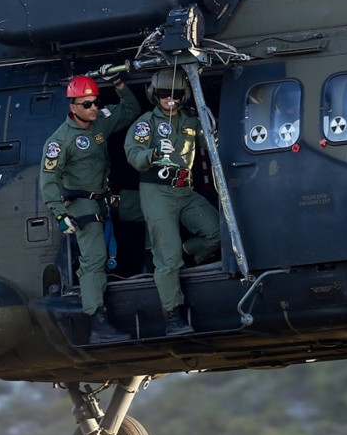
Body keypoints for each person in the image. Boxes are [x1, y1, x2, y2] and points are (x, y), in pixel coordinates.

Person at [40, 70, 140, 343]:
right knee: (93, 260)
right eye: (87, 104)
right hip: (82, 206)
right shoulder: (59, 142)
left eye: (96, 101)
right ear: (73, 108)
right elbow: (48, 181)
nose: (94, 107)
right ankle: (97, 321)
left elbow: (131, 109)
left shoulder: (99, 124)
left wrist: (118, 84)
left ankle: (153, 263)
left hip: (107, 198)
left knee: (152, 208)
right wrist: (61, 215)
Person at [124, 68, 221, 336]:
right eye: (165, 94)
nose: (170, 99)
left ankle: (187, 254)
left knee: (217, 232)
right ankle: (172, 316)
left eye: (176, 95)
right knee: (167, 260)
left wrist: (212, 127)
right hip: (157, 191)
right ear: (155, 95)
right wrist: (153, 152)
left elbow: (208, 143)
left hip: (185, 190)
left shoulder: (189, 121)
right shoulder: (147, 124)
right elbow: (133, 154)